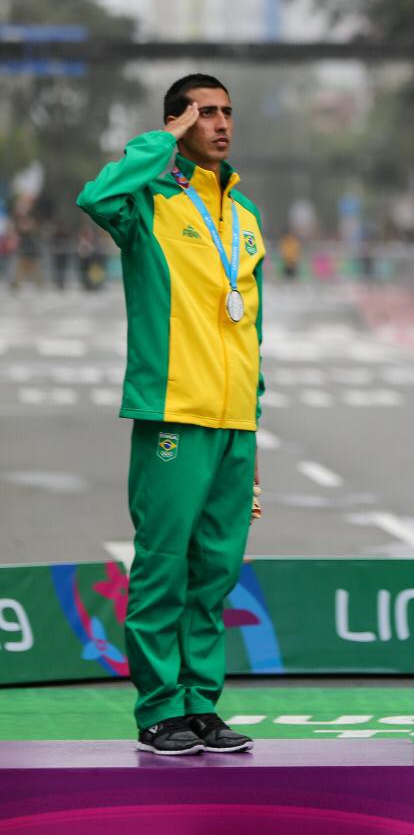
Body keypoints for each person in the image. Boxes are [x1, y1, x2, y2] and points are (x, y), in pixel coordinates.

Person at [77, 73, 266, 756]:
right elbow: (94, 195)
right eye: (202, 113)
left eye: (225, 112)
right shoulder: (146, 205)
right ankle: (158, 709)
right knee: (164, 565)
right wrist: (160, 142)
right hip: (171, 413)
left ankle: (200, 705)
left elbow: (253, 331)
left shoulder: (244, 218)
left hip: (233, 425)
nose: (218, 123)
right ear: (179, 122)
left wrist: (253, 425)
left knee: (215, 573)